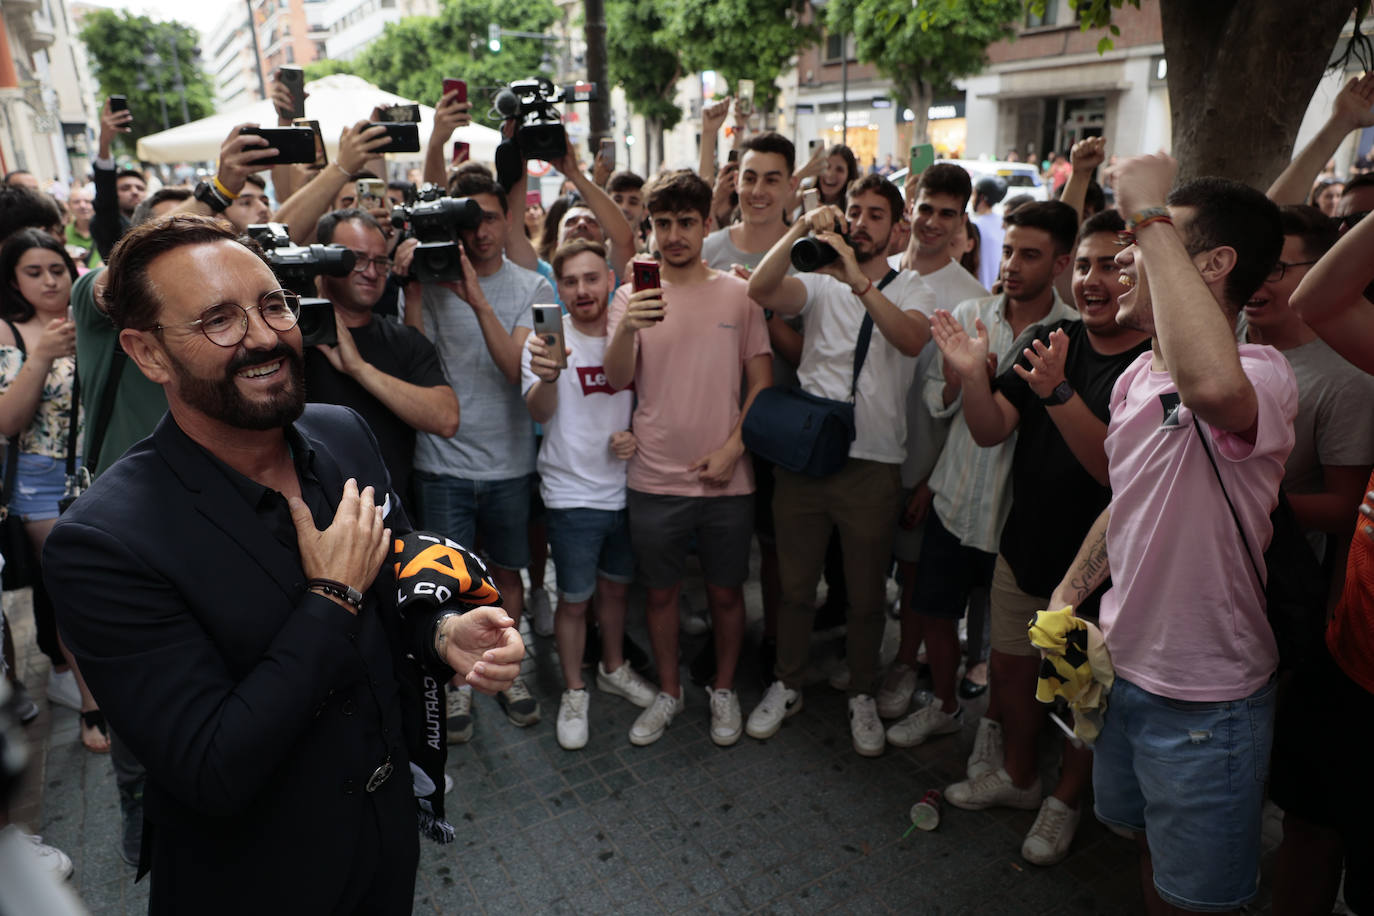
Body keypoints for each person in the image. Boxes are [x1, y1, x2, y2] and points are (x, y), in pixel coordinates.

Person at [42, 214, 525, 914]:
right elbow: (210, 765)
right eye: (219, 320)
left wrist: (443, 634)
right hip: (257, 882)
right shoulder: (103, 543)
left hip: (387, 844)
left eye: (274, 305)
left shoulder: (342, 434)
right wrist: (330, 597)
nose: (266, 337)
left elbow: (398, 577)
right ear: (148, 355)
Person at [1048, 159, 1294, 914]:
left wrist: (1150, 207)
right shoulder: (1132, 380)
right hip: (1122, 673)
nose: (1126, 254)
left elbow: (1213, 390)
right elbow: (1128, 501)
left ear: (1215, 265)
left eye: (1150, 238)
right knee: (1147, 848)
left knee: (1203, 899)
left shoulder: (1263, 373)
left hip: (1207, 702)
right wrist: (1070, 592)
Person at [934, 209, 1150, 865]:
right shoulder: (1055, 335)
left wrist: (1056, 392)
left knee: (1081, 694)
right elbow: (991, 427)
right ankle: (1021, 779)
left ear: (1141, 275)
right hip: (1021, 549)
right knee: (1012, 672)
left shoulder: (1151, 363)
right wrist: (973, 376)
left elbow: (1115, 472)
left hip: (1096, 578)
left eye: (1111, 265)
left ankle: (1064, 801)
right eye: (1084, 264)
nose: (1093, 279)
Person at [745, 173, 932, 756]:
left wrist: (858, 280)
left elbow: (908, 340)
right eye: (856, 210)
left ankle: (861, 691)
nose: (863, 221)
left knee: (866, 594)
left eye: (878, 214)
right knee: (796, 587)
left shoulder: (915, 288)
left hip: (873, 465)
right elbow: (759, 288)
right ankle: (787, 681)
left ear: (897, 227)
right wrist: (802, 226)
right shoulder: (818, 283)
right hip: (806, 456)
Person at [888, 202, 1079, 751]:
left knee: (1008, 645)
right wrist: (956, 382)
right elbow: (935, 405)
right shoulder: (971, 312)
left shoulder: (1068, 336)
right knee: (933, 613)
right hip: (953, 499)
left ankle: (993, 730)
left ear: (1061, 262)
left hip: (1013, 515)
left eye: (1031, 254)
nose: (1012, 264)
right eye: (1010, 250)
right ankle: (945, 706)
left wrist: (988, 385)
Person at [604, 170, 772, 747]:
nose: (673, 235)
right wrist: (627, 325)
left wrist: (734, 447)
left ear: (707, 224)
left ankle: (723, 688)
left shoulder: (739, 292)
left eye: (685, 222)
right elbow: (617, 377)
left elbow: (762, 382)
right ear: (649, 227)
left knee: (728, 593)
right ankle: (672, 691)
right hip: (653, 476)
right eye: (662, 223)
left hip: (728, 475)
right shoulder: (630, 296)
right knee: (660, 595)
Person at [411, 169, 554, 732]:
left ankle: (506, 665)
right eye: (466, 220)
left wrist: (475, 299)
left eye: (488, 216)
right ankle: (455, 681)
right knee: (445, 581)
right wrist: (418, 290)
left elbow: (514, 367)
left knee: (505, 574)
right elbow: (417, 362)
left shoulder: (532, 287)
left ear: (507, 219)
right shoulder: (430, 277)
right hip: (441, 461)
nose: (479, 231)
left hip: (508, 462)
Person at [1276, 178, 1374, 916]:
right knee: (1309, 830)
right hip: (1348, 654)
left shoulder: (1343, 382)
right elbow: (1319, 298)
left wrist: (1249, 503)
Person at [521, 240, 656, 749]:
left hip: (628, 488)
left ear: (612, 279)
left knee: (617, 591)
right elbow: (537, 411)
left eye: (592, 278)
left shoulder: (636, 333)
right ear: (559, 286)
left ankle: (613, 666)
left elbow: (653, 402)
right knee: (574, 600)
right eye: (571, 281)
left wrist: (636, 437)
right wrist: (550, 376)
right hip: (570, 492)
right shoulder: (546, 337)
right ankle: (575, 688)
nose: (582, 290)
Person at [880, 164, 989, 721]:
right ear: (909, 204)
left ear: (961, 221)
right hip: (872, 456)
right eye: (926, 208)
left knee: (918, 575)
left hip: (926, 465)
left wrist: (930, 479)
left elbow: (965, 411)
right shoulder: (882, 272)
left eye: (948, 213)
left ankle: (905, 662)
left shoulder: (972, 300)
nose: (933, 222)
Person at [0, 231, 101, 749]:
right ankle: (91, 701)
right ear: (14, 279)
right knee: (71, 586)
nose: (48, 280)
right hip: (44, 482)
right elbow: (7, 420)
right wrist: (39, 357)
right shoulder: (10, 333)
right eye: (33, 272)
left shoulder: (93, 316)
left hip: (105, 466)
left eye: (56, 268)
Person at [1240, 205, 1374, 592]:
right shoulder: (1221, 329)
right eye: (1250, 263)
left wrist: (1234, 496)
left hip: (1272, 583)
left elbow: (1344, 507)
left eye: (1275, 269)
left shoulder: (1350, 377)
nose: (1253, 281)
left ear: (1321, 271)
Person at [307, 209, 459, 503]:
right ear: (324, 261)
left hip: (393, 515)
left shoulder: (404, 340)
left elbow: (446, 418)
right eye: (356, 259)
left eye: (380, 261)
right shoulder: (293, 339)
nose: (372, 272)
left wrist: (359, 369)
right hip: (312, 513)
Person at [90, 98, 146, 258]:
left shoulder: (158, 220)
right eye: (125, 188)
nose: (134, 192)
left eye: (140, 188)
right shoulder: (107, 224)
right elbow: (106, 201)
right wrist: (104, 144)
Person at [970, 177, 1007, 291]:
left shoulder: (975, 225)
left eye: (974, 194)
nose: (972, 199)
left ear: (981, 198)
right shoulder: (1004, 223)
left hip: (979, 290)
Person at [65, 188, 101, 268]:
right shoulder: (63, 233)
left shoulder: (106, 231)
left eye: (87, 201)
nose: (82, 206)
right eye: (76, 202)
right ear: (69, 206)